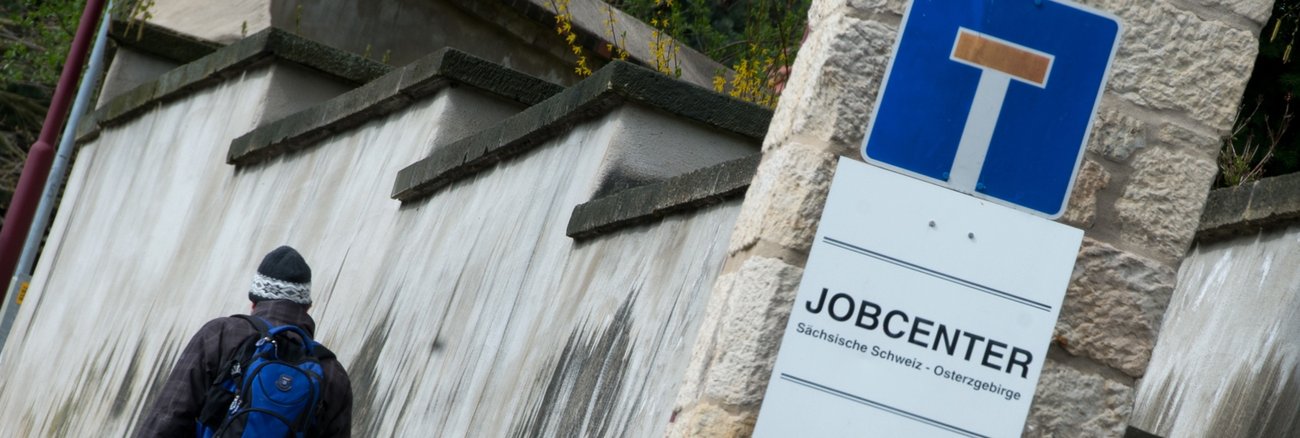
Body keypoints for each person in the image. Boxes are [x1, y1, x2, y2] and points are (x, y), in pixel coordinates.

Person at [136, 246, 352, 437]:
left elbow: (169, 415)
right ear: (307, 308)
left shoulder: (220, 335)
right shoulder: (332, 373)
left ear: (253, 301)